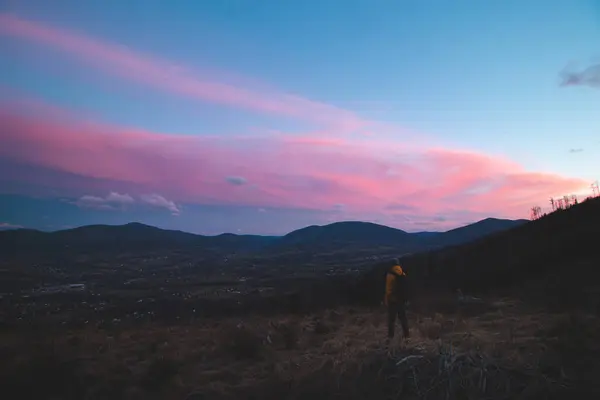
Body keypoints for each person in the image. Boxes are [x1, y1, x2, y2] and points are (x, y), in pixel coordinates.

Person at [383, 258, 410, 340]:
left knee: (391, 320)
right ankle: (407, 336)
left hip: (393, 300)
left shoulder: (390, 275)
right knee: (403, 319)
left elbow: (388, 290)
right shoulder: (403, 274)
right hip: (401, 300)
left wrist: (386, 300)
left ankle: (390, 337)